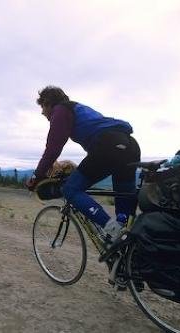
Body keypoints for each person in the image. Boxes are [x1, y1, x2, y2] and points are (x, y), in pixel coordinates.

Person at [26, 86, 141, 241]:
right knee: (123, 199)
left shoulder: (60, 110)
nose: (42, 112)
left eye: (42, 107)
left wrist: (36, 176)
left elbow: (53, 149)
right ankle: (125, 249)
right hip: (130, 146)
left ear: (48, 103)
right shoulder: (80, 109)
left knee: (70, 189)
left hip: (109, 146)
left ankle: (112, 229)